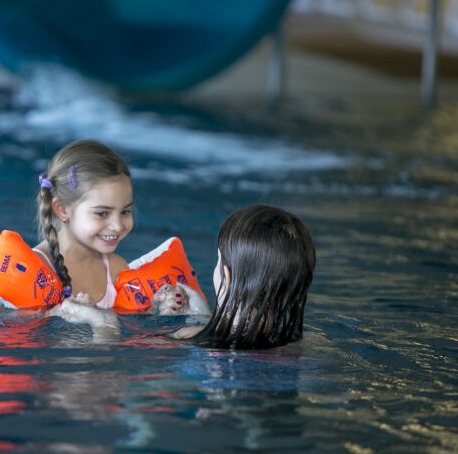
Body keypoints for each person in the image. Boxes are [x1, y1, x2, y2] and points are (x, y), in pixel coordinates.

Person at [52, 204, 316, 350]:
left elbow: (108, 366)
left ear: (225, 274)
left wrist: (103, 323)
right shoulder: (303, 345)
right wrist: (203, 315)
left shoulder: (190, 336)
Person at [33, 139, 134, 309]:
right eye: (102, 213)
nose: (117, 226)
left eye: (125, 212)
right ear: (62, 209)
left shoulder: (117, 269)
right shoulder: (33, 270)